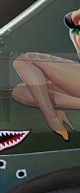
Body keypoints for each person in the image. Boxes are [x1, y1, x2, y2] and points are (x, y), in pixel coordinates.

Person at [11, 9, 80, 142]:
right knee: (20, 91)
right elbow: (70, 19)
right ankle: (56, 114)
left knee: (24, 60)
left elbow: (72, 19)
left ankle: (52, 119)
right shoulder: (75, 30)